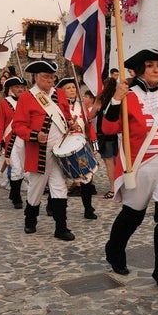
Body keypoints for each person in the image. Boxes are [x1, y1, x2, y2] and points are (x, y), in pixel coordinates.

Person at [102, 49, 158, 293]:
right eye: (149, 65)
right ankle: (115, 249)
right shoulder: (128, 96)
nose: (156, 70)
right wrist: (117, 100)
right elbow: (108, 129)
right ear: (139, 70)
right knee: (133, 215)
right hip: (140, 164)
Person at [12, 61, 77, 241]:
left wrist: (71, 122)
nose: (49, 80)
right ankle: (30, 220)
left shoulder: (59, 94)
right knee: (36, 189)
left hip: (59, 149)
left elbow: (66, 115)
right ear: (36, 77)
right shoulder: (27, 97)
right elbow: (18, 126)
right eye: (45, 77)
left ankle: (61, 227)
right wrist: (34, 135)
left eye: (52, 77)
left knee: (59, 188)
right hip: (40, 151)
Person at [56, 77, 97, 219]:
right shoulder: (58, 107)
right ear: (62, 92)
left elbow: (89, 126)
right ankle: (52, 205)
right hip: (64, 146)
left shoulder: (82, 105)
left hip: (81, 145)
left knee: (87, 176)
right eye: (68, 88)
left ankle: (88, 208)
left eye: (73, 87)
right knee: (59, 178)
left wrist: (94, 145)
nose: (72, 90)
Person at [0, 76, 28, 208]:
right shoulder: (5, 103)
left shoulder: (28, 101)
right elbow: (0, 123)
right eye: (17, 87)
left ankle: (14, 193)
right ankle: (17, 197)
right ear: (11, 89)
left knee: (26, 170)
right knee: (16, 169)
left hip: (26, 139)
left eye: (22, 87)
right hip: (12, 140)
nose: (20, 89)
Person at [96, 78, 119, 199]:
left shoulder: (102, 100)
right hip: (113, 135)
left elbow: (92, 114)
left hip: (103, 135)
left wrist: (96, 100)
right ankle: (118, 186)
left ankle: (113, 189)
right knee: (115, 162)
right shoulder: (115, 100)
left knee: (109, 163)